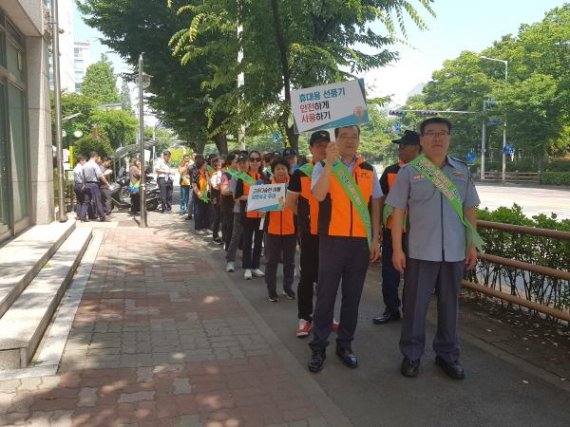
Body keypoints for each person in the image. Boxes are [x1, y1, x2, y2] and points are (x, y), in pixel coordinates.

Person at [386, 117, 481, 380]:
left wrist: (471, 244)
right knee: (415, 306)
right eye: (431, 133)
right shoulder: (408, 172)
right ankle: (412, 355)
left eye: (443, 133)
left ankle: (447, 355)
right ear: (422, 139)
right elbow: (397, 213)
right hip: (419, 252)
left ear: (449, 138)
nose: (437, 138)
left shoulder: (462, 171)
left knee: (450, 305)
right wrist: (397, 249)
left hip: (454, 252)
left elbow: (469, 210)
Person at [308, 125, 382, 373]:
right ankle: (318, 347)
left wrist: (375, 238)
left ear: (359, 140)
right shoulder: (322, 166)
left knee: (353, 297)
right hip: (332, 240)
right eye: (344, 137)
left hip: (360, 243)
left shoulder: (369, 171)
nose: (350, 141)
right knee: (326, 296)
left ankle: (345, 345)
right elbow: (318, 195)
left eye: (354, 136)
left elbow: (375, 205)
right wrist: (329, 163)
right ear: (335, 140)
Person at [373, 130, 421, 325]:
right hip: (393, 232)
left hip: (418, 234)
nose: (399, 149)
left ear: (417, 148)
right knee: (390, 275)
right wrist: (378, 231)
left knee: (415, 276)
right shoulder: (391, 171)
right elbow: (380, 200)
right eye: (399, 145)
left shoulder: (429, 172)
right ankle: (391, 309)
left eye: (404, 145)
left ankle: (411, 312)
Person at [286, 130, 329, 337]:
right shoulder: (300, 173)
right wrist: (305, 219)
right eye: (318, 144)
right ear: (311, 148)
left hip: (332, 234)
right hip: (310, 234)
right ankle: (305, 317)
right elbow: (290, 203)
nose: (322, 147)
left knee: (328, 277)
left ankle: (325, 315)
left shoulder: (338, 171)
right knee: (308, 276)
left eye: (325, 144)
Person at [264, 157, 297, 302]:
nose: (281, 171)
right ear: (273, 171)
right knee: (271, 261)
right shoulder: (267, 187)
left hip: (291, 229)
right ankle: (271, 290)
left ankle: (287, 288)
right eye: (277, 169)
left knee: (289, 261)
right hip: (272, 230)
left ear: (287, 170)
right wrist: (261, 210)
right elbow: (261, 209)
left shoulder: (294, 185)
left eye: (283, 168)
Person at [234, 150, 267, 280]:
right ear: (248, 161)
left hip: (261, 215)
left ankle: (255, 266)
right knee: (247, 242)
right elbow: (237, 196)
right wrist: (251, 196)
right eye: (252, 159)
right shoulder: (243, 177)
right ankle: (247, 267)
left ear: (260, 162)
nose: (254, 162)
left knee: (259, 242)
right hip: (247, 214)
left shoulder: (264, 177)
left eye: (257, 159)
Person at [225, 154, 249, 272]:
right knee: (236, 236)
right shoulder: (235, 177)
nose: (243, 165)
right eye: (241, 163)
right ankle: (230, 260)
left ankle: (248, 262)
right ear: (237, 165)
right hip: (239, 211)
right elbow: (235, 198)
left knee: (249, 238)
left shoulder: (252, 177)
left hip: (252, 212)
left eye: (245, 162)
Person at [82, 151, 111, 222]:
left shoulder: (85, 165)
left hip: (87, 184)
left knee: (86, 201)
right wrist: (107, 183)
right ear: (95, 156)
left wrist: (84, 184)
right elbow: (100, 175)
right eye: (97, 157)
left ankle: (82, 217)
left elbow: (83, 176)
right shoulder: (94, 165)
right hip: (94, 185)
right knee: (98, 201)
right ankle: (102, 217)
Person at [220, 152, 239, 250]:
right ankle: (228, 247)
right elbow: (224, 191)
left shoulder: (243, 174)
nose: (240, 162)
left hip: (241, 205)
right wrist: (236, 190)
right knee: (230, 227)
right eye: (237, 160)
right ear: (230, 162)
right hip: (230, 205)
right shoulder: (226, 175)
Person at [191, 154, 211, 231]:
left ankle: (206, 225)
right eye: (205, 164)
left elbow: (210, 183)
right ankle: (198, 227)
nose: (207, 165)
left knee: (207, 210)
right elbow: (194, 184)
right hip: (199, 194)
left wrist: (206, 174)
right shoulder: (196, 172)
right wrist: (198, 193)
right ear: (202, 165)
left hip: (207, 194)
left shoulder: (207, 173)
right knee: (198, 211)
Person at [209, 156, 224, 244]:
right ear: (216, 164)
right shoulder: (214, 174)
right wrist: (223, 184)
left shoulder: (222, 173)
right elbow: (215, 187)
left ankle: (221, 235)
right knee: (217, 217)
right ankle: (215, 236)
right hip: (216, 198)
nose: (222, 164)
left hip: (221, 198)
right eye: (220, 162)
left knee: (221, 217)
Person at [72, 154, 89, 222]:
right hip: (81, 185)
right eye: (85, 161)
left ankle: (78, 215)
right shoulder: (82, 168)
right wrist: (85, 185)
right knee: (86, 201)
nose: (86, 162)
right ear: (81, 160)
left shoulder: (75, 168)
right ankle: (83, 217)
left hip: (76, 185)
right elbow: (83, 177)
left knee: (79, 201)